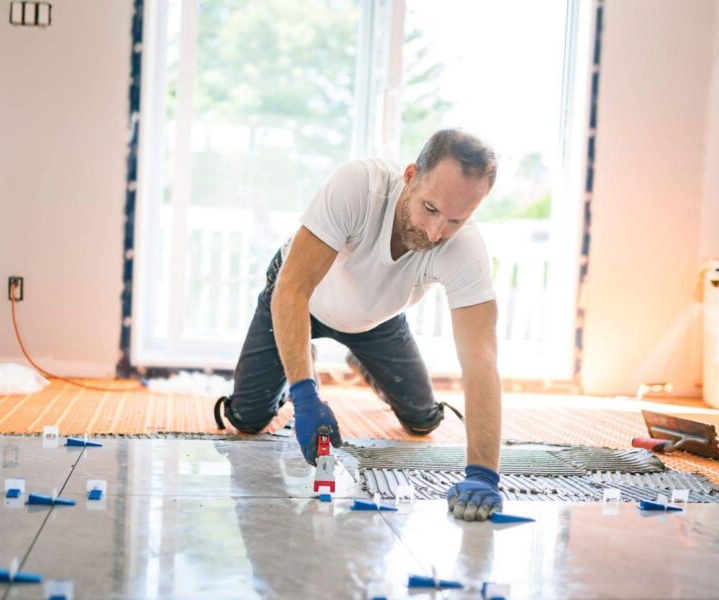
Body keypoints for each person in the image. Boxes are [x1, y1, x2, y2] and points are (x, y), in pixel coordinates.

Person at [214, 129, 503, 521]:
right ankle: (299, 354)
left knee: (422, 421)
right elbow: (292, 290)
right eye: (430, 209)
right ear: (411, 176)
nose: (436, 233)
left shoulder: (465, 248)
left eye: (456, 220)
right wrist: (304, 393)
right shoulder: (359, 186)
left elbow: (481, 360)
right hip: (301, 299)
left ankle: (361, 361)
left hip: (376, 319)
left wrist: (484, 474)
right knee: (247, 418)